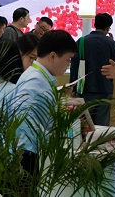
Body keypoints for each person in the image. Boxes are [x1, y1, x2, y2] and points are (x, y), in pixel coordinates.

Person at [14, 30, 77, 179]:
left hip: (33, 150)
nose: (68, 65)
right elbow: (22, 117)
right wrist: (51, 140)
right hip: (29, 153)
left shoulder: (40, 77)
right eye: (67, 60)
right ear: (53, 56)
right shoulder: (34, 80)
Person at [70, 12, 115, 125]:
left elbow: (74, 65)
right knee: (102, 125)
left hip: (85, 88)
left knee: (84, 125)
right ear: (108, 28)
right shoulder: (113, 44)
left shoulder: (81, 41)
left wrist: (73, 86)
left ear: (94, 24)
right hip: (105, 88)